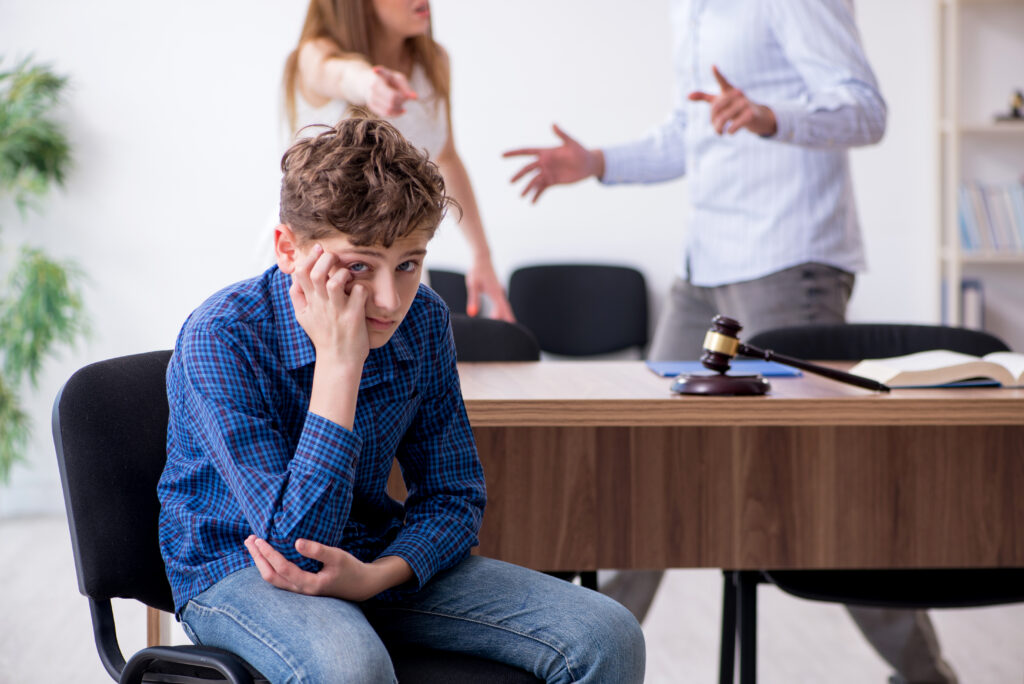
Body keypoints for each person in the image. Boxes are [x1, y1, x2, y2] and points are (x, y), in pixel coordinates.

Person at [504, 1, 957, 682]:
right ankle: (579, 660)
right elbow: (691, 132)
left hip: (787, 261)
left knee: (823, 486)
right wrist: (597, 161)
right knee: (642, 461)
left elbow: (867, 110)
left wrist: (772, 116)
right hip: (706, 270)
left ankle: (926, 675)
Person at [157, 117, 645, 683]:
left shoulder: (423, 320)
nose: (390, 301)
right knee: (352, 669)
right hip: (240, 567)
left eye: (409, 264)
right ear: (289, 249)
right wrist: (341, 363)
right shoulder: (221, 336)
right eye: (359, 266)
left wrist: (379, 575)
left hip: (369, 554)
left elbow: (454, 494)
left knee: (608, 635)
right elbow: (294, 548)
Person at [280, 0, 514, 321]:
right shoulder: (315, 53)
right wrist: (369, 84)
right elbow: (339, 73)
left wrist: (481, 255)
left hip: (393, 254)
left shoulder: (434, 61)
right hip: (326, 256)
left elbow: (445, 157)